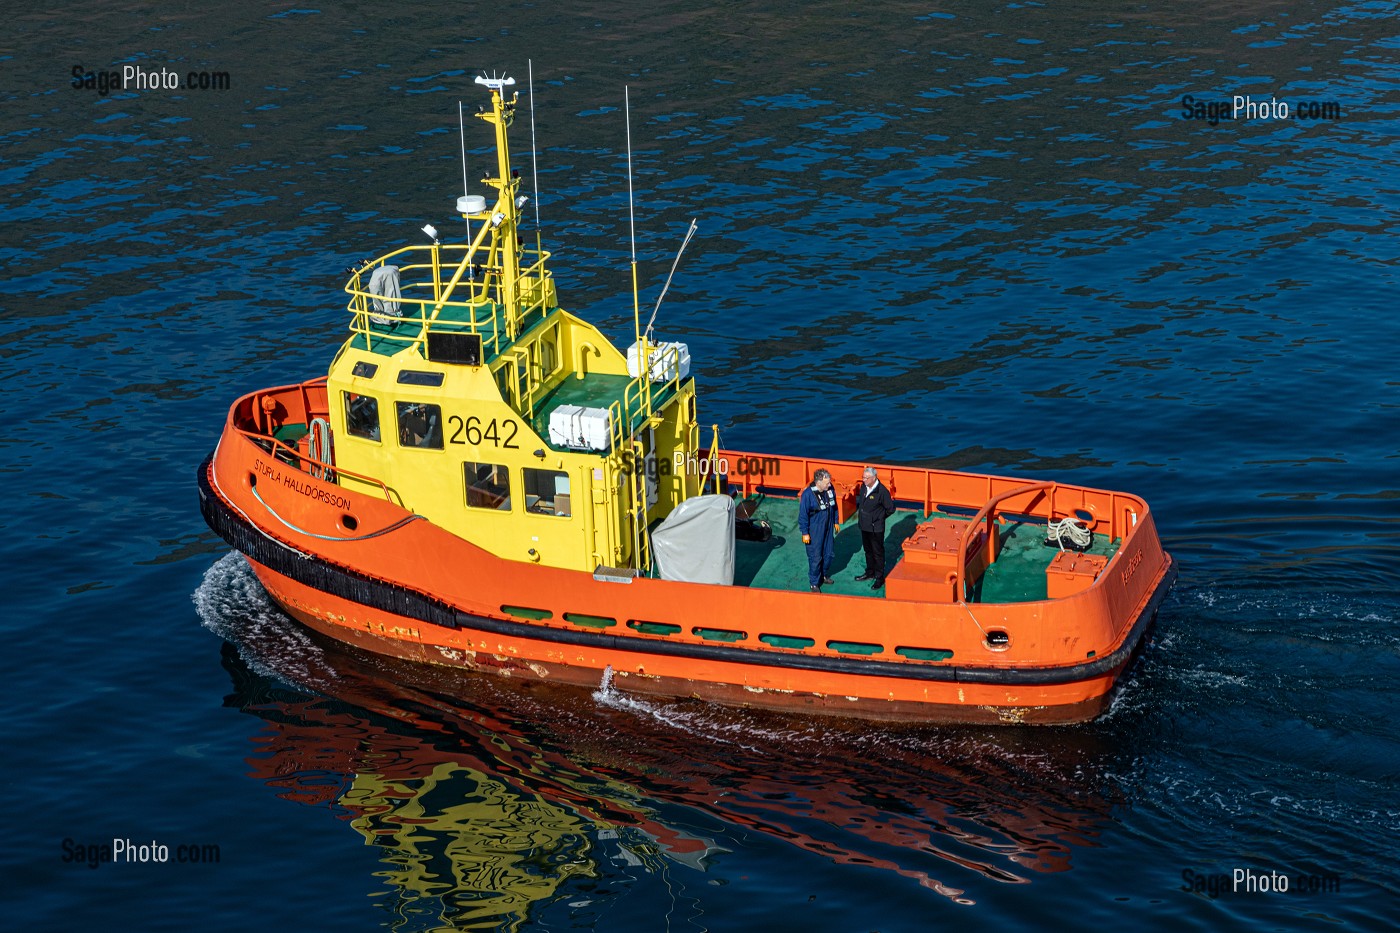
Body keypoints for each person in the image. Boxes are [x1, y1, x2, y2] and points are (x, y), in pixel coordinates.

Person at [854, 466, 895, 589]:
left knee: (878, 553)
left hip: (875, 528)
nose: (864, 480)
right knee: (868, 551)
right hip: (864, 526)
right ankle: (870, 572)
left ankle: (879, 577)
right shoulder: (863, 487)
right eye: (863, 477)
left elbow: (891, 509)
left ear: (874, 478)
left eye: (866, 478)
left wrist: (878, 518)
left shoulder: (882, 491)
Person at [798, 468, 838, 592]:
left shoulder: (830, 490)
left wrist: (836, 521)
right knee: (816, 557)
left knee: (829, 554)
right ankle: (814, 583)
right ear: (819, 482)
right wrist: (805, 532)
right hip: (815, 528)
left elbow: (834, 507)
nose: (829, 484)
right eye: (827, 482)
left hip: (828, 526)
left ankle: (823, 575)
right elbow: (803, 515)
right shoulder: (808, 495)